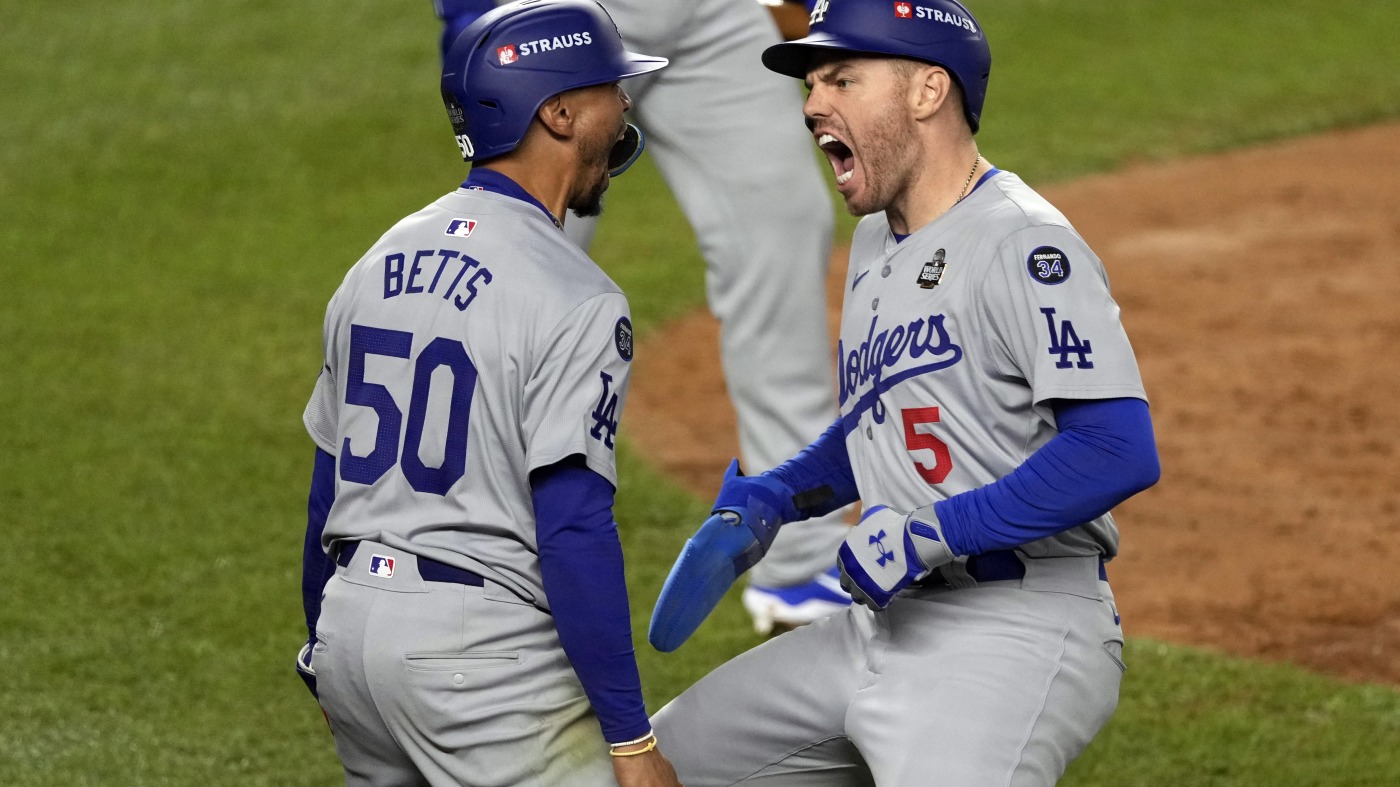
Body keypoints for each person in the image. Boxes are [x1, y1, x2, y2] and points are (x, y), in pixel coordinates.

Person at [648, 0, 1161, 783]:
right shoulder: (877, 241)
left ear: (928, 91)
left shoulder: (1024, 242)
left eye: (844, 78)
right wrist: (780, 496)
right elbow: (884, 420)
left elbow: (1115, 449)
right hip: (880, 623)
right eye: (813, 83)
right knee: (650, 767)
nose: (815, 103)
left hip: (1016, 627)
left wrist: (931, 533)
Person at [293, 2, 683, 784]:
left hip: (350, 630)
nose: (627, 105)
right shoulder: (578, 295)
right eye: (610, 87)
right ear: (560, 112)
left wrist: (325, 645)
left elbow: (324, 493)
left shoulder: (376, 261)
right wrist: (632, 739)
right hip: (476, 663)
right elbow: (573, 527)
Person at [434, 0, 854, 635]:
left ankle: (800, 561)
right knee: (516, 257)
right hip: (558, 17)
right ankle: (445, 548)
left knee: (781, 225)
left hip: (711, 12)